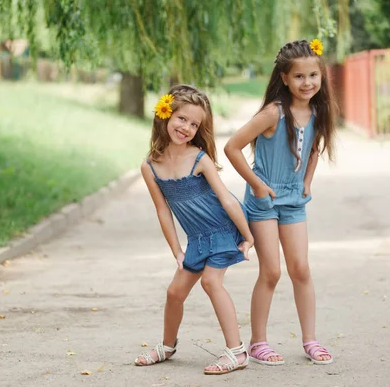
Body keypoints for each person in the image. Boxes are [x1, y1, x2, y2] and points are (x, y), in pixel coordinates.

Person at [224, 39, 337, 365]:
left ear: (321, 75)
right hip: (264, 200)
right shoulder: (274, 113)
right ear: (285, 78)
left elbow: (314, 148)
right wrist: (257, 185)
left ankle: (310, 340)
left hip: (293, 199)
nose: (308, 83)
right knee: (271, 271)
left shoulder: (318, 110)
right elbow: (232, 147)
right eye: (299, 77)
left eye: (313, 75)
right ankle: (258, 342)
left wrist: (307, 181)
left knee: (301, 268)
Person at [134, 84, 254, 375]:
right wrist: (176, 250)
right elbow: (163, 210)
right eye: (181, 118)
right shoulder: (150, 167)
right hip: (198, 239)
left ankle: (237, 352)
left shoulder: (199, 158)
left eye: (194, 123)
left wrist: (248, 236)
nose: (187, 127)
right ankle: (167, 345)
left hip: (222, 229)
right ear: (165, 115)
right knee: (175, 292)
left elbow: (226, 198)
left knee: (211, 282)